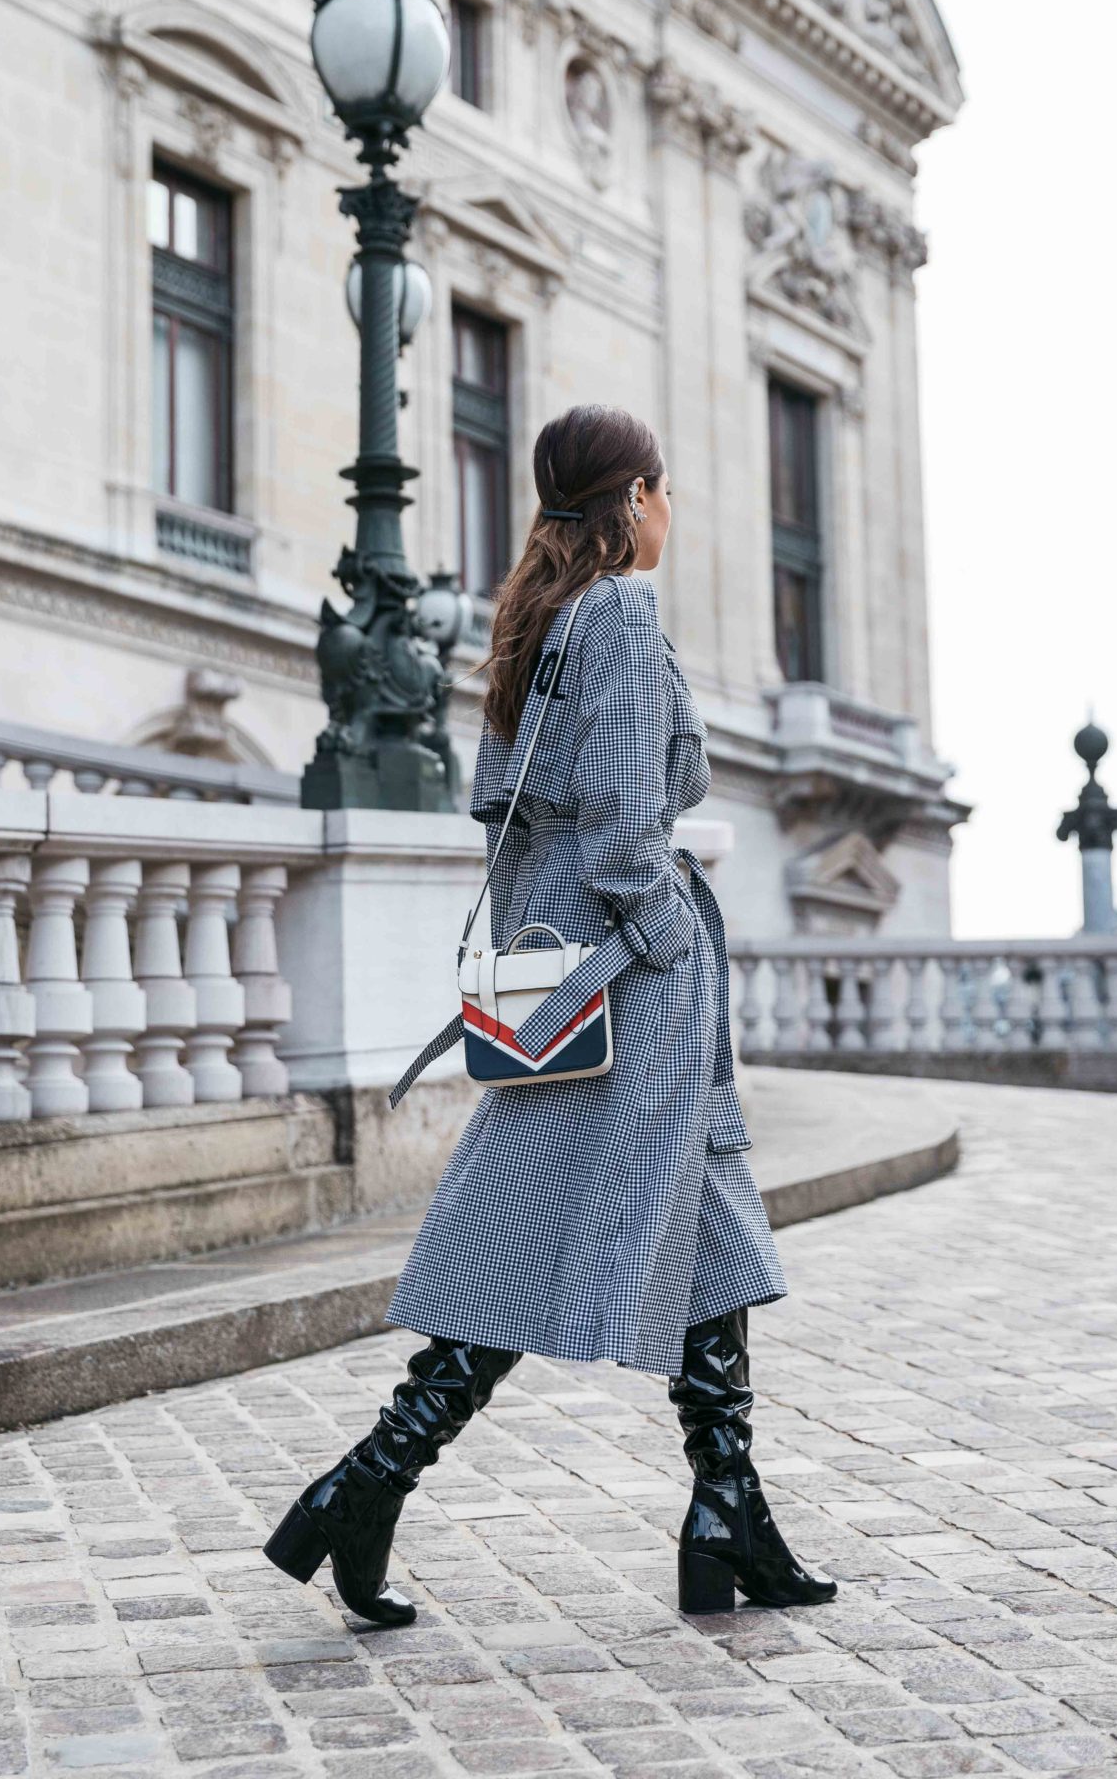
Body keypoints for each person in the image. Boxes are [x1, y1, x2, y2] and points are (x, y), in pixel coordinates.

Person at [263, 403, 836, 1622]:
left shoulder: (534, 621)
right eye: (662, 487)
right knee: (524, 1237)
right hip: (628, 974)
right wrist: (667, 936)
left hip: (570, 967)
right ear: (632, 502)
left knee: (707, 1220)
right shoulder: (620, 614)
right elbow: (632, 829)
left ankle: (725, 1507)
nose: (669, 509)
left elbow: (507, 811)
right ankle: (366, 1481)